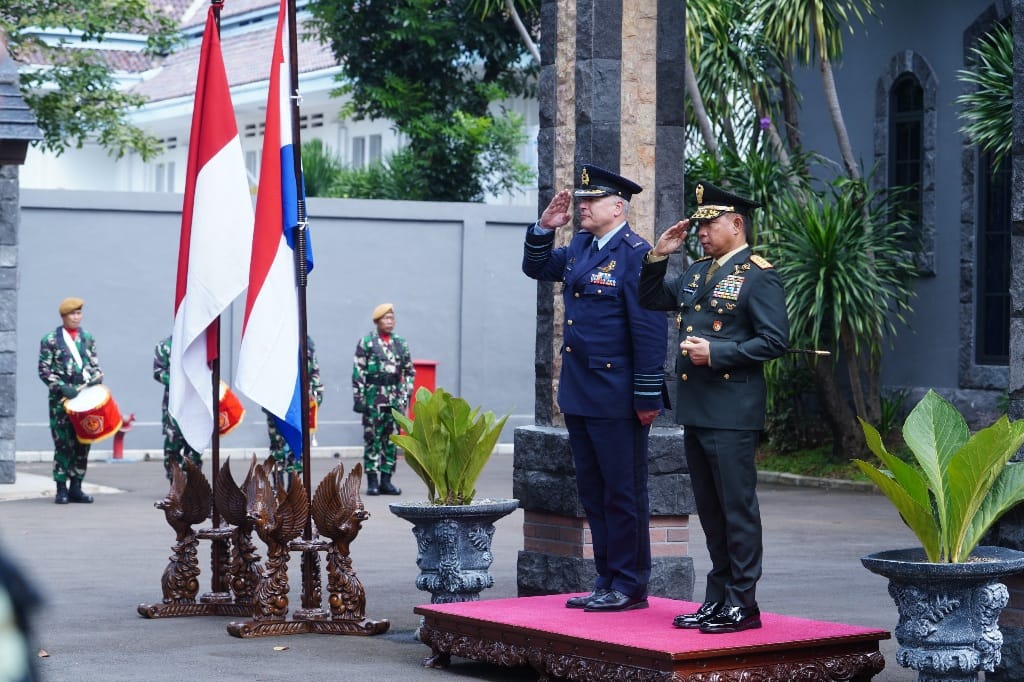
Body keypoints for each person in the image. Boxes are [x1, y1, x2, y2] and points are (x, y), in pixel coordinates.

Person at [639, 181, 789, 634]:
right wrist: (659, 256)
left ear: (737, 224)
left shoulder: (759, 275)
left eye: (710, 223)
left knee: (736, 508)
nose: (701, 231)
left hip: (732, 411)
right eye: (699, 224)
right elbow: (651, 298)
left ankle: (743, 603)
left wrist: (718, 353)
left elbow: (774, 340)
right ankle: (718, 598)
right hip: (699, 409)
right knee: (710, 510)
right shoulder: (699, 272)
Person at [522, 164, 667, 613]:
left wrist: (646, 397)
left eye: (592, 201)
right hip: (582, 392)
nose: (582, 207)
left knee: (623, 494)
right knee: (594, 493)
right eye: (581, 200)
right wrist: (544, 229)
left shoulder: (637, 255)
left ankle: (629, 583)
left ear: (617, 206)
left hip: (618, 396)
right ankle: (606, 578)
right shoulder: (583, 245)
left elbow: (648, 331)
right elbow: (537, 267)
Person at [37, 297, 104, 504]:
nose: (76, 317)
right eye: (72, 314)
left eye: (79, 313)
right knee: (63, 444)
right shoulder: (50, 339)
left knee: (83, 441)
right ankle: (61, 488)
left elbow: (94, 364)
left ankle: (76, 486)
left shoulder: (87, 338)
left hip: (85, 400)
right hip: (62, 402)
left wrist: (97, 376)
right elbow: (44, 370)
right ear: (64, 316)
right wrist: (61, 387)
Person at [352, 303, 415, 496]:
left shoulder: (400, 343)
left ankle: (386, 480)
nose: (390, 322)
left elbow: (409, 371)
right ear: (377, 321)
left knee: (391, 440)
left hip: (394, 398)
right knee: (373, 439)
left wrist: (404, 397)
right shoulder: (367, 342)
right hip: (373, 397)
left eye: (392, 318)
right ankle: (372, 481)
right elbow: (358, 372)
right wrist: (359, 398)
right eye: (386, 319)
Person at [266, 335, 324, 476]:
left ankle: (294, 486)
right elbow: (265, 374)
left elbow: (314, 373)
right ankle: (276, 485)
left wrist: (316, 396)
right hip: (276, 402)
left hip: (300, 403)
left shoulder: (306, 345)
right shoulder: (272, 342)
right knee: (277, 445)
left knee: (297, 445)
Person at [153, 336, 203, 481]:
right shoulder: (165, 345)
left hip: (195, 405)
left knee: (194, 445)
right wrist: (179, 381)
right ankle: (175, 483)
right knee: (172, 446)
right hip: (173, 405)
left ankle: (193, 485)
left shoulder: (200, 346)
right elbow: (158, 372)